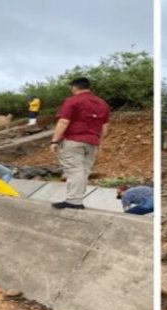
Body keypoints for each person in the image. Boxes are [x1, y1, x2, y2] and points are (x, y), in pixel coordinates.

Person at [49, 77, 110, 210]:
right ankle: (77, 200)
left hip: (74, 140)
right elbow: (105, 127)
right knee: (84, 172)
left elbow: (64, 121)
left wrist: (54, 140)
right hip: (93, 142)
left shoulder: (72, 101)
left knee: (74, 171)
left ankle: (73, 201)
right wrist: (100, 143)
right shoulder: (102, 103)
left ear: (75, 87)